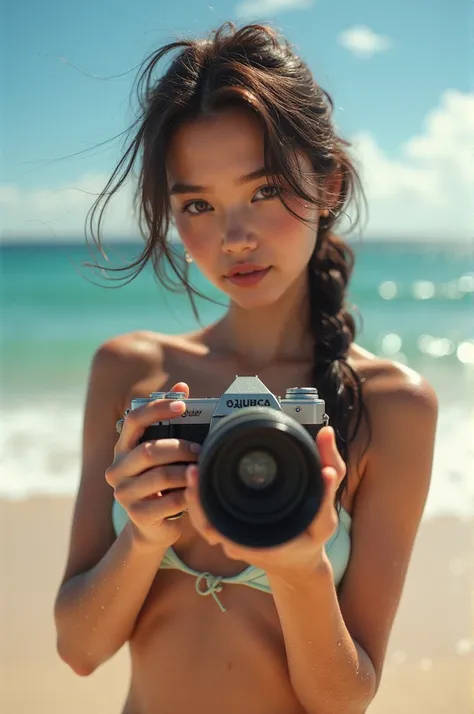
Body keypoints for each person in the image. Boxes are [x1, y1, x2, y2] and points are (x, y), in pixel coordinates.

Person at [54, 22, 438, 714]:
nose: (234, 237)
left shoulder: (392, 405)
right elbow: (79, 651)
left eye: (263, 191)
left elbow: (343, 698)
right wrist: (142, 541)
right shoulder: (132, 374)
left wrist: (299, 573)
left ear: (328, 184)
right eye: (198, 204)